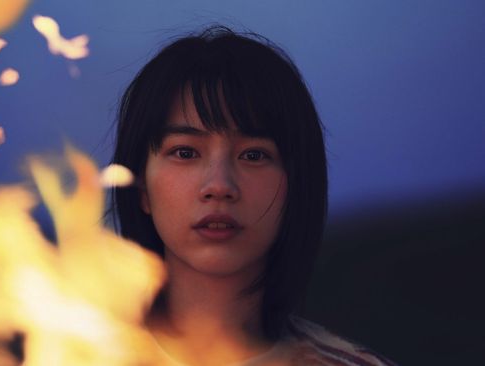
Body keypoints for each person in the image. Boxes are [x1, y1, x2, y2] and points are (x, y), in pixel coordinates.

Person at [110, 26, 396, 366]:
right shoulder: (68, 348)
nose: (219, 185)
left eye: (254, 155)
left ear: (296, 184)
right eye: (185, 153)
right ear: (141, 186)